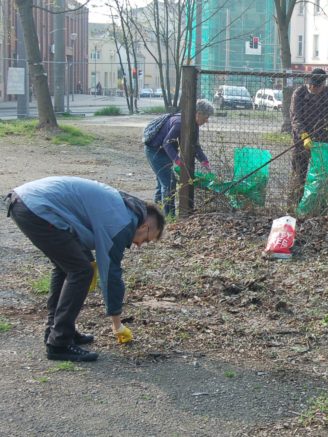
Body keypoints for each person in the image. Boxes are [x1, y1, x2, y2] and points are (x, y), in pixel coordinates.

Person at [5, 177, 165, 362]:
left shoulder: (125, 208)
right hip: (36, 208)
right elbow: (111, 274)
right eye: (145, 240)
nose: (139, 245)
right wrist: (117, 325)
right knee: (81, 271)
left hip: (27, 202)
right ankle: (59, 343)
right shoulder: (122, 224)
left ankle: (57, 331)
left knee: (69, 267)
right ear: (144, 226)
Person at [144, 99, 215, 217]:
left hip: (164, 152)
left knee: (162, 182)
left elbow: (195, 146)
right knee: (168, 184)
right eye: (206, 117)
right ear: (198, 113)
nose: (207, 121)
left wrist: (204, 161)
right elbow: (167, 143)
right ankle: (169, 217)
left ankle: (156, 214)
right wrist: (177, 160)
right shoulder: (179, 123)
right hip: (154, 151)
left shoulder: (193, 124)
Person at [289, 68, 328, 207]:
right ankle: (294, 207)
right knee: (299, 176)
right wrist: (304, 136)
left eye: (316, 86)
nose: (313, 88)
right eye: (311, 85)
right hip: (301, 142)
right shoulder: (299, 94)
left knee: (320, 178)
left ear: (323, 85)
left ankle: (316, 207)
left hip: (322, 143)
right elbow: (296, 118)